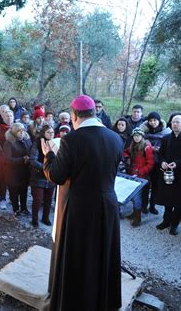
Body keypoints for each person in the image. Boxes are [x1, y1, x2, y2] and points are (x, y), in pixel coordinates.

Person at [42, 95, 123, 310]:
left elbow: (57, 176)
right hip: (107, 204)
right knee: (101, 255)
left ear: (75, 115)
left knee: (80, 258)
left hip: (81, 209)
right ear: (94, 113)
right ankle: (101, 301)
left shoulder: (72, 140)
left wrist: (48, 156)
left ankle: (77, 302)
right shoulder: (115, 138)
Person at [140, 111, 171, 215]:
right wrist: (148, 147)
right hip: (145, 162)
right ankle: (143, 206)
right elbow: (137, 146)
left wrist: (160, 150)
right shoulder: (142, 132)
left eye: (155, 120)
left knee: (155, 186)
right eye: (150, 120)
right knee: (145, 185)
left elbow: (168, 148)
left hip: (158, 163)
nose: (153, 122)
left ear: (159, 121)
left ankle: (152, 205)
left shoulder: (166, 132)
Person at [123, 128, 155, 227]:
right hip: (133, 174)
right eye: (135, 136)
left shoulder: (146, 147)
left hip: (142, 176)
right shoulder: (133, 145)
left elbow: (151, 163)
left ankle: (138, 217)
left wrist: (140, 171)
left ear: (142, 136)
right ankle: (134, 212)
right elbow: (125, 151)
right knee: (133, 195)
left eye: (138, 136)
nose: (136, 138)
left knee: (137, 197)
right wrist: (127, 157)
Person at [29, 125, 55, 227]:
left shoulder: (56, 143)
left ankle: (45, 218)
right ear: (44, 133)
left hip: (51, 177)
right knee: (38, 199)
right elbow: (33, 160)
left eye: (52, 132)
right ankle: (34, 219)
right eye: (48, 132)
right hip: (38, 175)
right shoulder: (37, 143)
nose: (51, 134)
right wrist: (46, 168)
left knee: (48, 200)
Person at [4, 123, 32, 216]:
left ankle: (24, 208)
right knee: (14, 191)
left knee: (24, 190)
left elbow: (31, 150)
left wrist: (30, 158)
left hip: (25, 170)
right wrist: (22, 159)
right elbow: (7, 159)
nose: (21, 132)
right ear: (13, 132)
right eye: (19, 131)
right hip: (13, 171)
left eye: (23, 130)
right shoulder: (9, 142)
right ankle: (16, 209)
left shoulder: (27, 139)